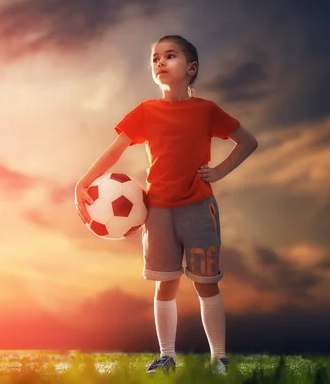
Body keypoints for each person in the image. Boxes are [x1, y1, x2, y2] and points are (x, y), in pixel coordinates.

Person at [75, 35, 258, 375]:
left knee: (206, 282)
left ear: (191, 68)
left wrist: (218, 171)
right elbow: (116, 150)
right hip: (157, 211)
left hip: (198, 209)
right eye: (154, 58)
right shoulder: (146, 111)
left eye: (169, 56)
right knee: (165, 283)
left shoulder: (206, 111)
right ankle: (167, 356)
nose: (159, 62)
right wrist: (83, 182)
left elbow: (248, 141)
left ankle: (218, 357)